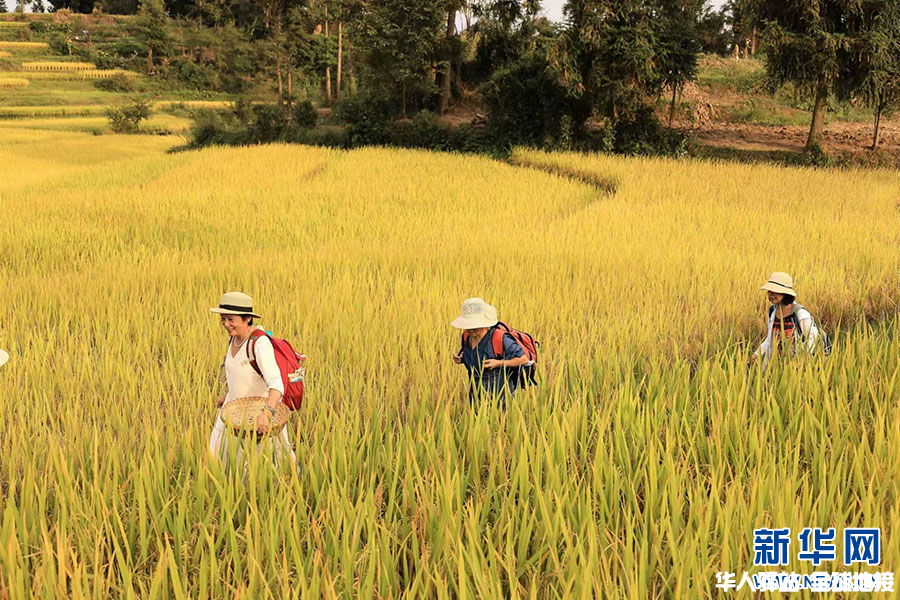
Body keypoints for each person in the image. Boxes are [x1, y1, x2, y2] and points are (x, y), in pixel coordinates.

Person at [209, 291, 294, 466]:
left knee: (261, 466)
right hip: (234, 412)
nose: (226, 324)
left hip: (257, 417)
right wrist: (228, 394)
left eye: (231, 319)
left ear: (247, 318)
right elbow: (241, 373)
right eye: (223, 319)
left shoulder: (259, 344)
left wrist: (266, 415)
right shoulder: (234, 339)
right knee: (217, 456)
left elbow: (277, 385)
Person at [451, 298, 529, 408]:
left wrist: (498, 363)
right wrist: (462, 359)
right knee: (477, 416)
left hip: (500, 390)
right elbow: (475, 355)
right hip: (476, 387)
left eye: (474, 326)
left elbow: (523, 359)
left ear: (485, 325)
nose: (470, 330)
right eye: (468, 326)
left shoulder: (500, 338)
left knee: (499, 417)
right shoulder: (466, 336)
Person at [752, 272, 820, 368]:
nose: (771, 295)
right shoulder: (772, 311)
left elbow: (812, 338)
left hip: (796, 367)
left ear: (785, 293)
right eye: (769, 291)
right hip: (775, 365)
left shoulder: (800, 313)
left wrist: (800, 360)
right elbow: (770, 340)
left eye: (775, 291)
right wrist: (755, 355)